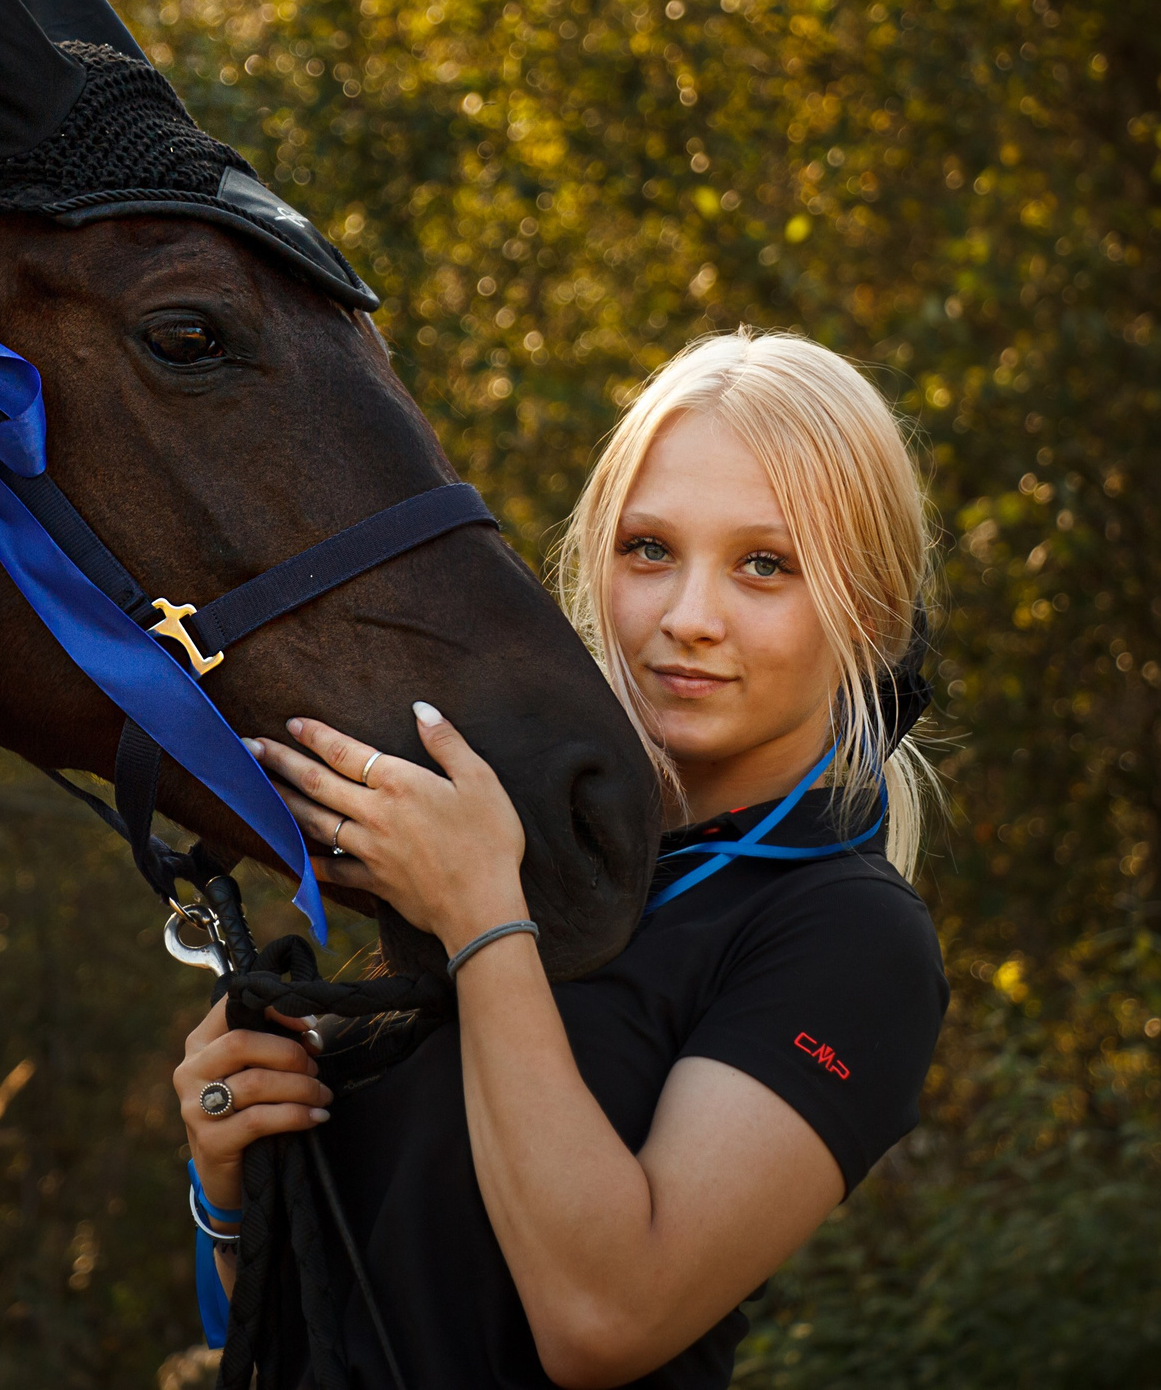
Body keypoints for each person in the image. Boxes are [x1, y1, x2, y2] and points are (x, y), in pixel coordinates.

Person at [174, 329, 951, 1387]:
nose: (686, 619)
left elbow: (604, 1318)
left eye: (763, 566)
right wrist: (230, 1176)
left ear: (864, 611)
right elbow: (293, 1325)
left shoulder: (850, 937)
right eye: (648, 551)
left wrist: (483, 917)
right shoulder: (519, 850)